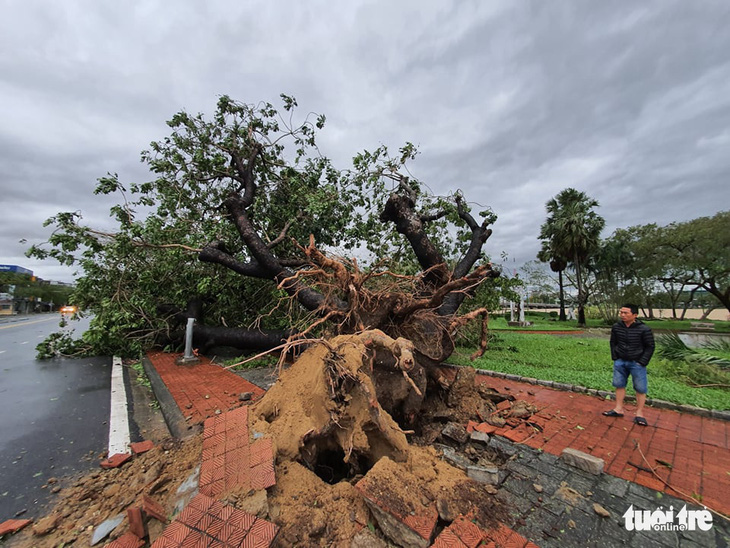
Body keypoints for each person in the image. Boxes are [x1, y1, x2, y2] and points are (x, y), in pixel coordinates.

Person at [603, 304, 655, 426]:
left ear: (635, 315)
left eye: (626, 313)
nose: (622, 315)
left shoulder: (644, 329)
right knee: (619, 384)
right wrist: (615, 357)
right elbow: (613, 342)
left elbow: (650, 346)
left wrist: (642, 361)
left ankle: (639, 413)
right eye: (621, 312)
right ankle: (618, 409)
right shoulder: (616, 327)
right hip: (620, 361)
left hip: (636, 363)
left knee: (640, 388)